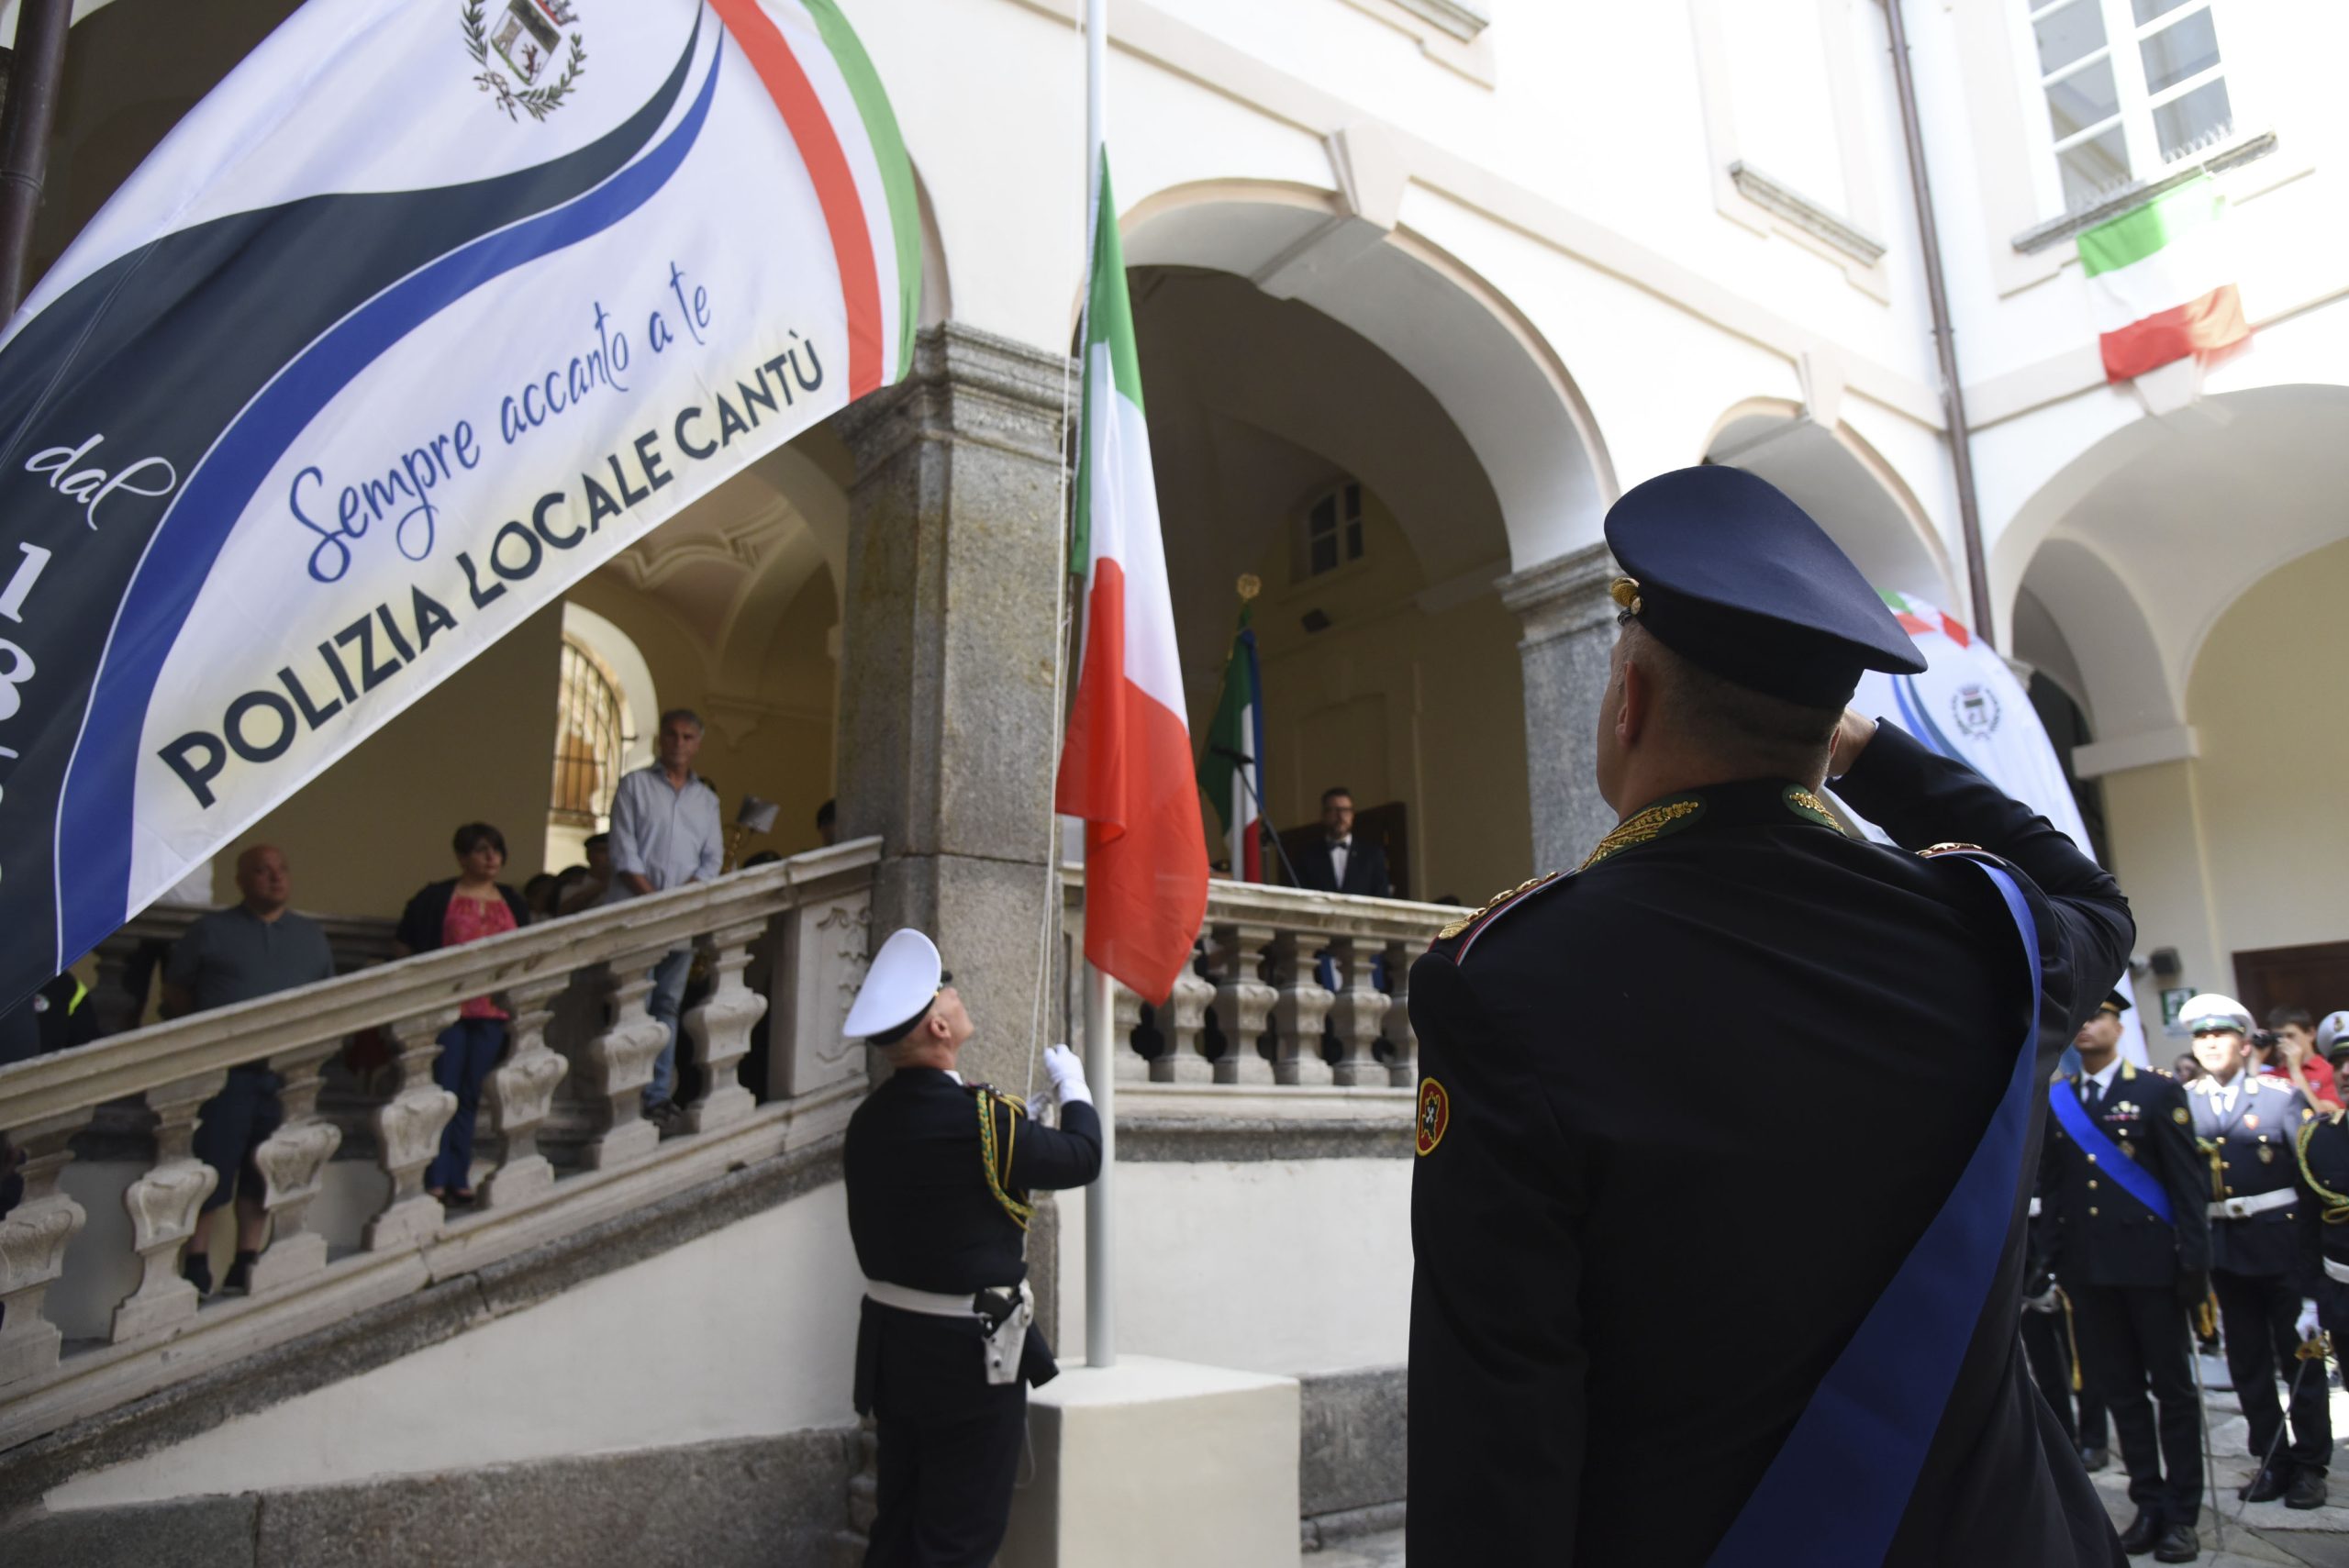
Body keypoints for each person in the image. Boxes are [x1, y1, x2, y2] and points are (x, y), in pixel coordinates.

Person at [1408, 466, 2133, 1566]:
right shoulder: (1993, 942)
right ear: (1825, 732)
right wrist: (1875, 755)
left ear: (1628, 700)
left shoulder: (1513, 977)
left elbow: (1499, 1422)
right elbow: (2095, 901)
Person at [841, 929, 1102, 1566]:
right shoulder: (984, 1121)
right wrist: (1075, 1091)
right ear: (938, 1025)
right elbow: (1084, 1156)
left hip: (895, 1348)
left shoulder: (869, 1118)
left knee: (898, 1521)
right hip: (967, 1358)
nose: (958, 995)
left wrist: (1016, 1128)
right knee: (958, 1536)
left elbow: (949, 1193)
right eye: (948, 990)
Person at [2039, 991, 2211, 1561]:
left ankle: (2183, 1513)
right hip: (2090, 1273)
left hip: (2153, 1270)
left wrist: (2195, 1263)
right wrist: (2051, 1264)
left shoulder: (2156, 1091)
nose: (2085, 1026)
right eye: (2079, 1018)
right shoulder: (2059, 1099)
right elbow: (2058, 1192)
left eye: (2098, 1016)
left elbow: (2189, 1185)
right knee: (2123, 1395)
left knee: (2174, 1392)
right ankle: (2150, 1502)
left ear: (2118, 1025)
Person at [163, 845, 338, 1296]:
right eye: (262, 871)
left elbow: (325, 999)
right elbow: (177, 993)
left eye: (282, 869)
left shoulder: (310, 936)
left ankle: (246, 1258)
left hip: (284, 1079)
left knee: (266, 1170)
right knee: (213, 1165)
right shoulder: (211, 931)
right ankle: (197, 1260)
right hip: (224, 1076)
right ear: (242, 881)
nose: (275, 879)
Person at [2182, 992, 2330, 1508]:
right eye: (2201, 1036)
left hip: (2281, 1244)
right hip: (2225, 1251)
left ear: (2245, 1044)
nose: (2210, 1044)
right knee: (2246, 1364)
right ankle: (2271, 1459)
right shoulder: (2185, 1104)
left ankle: (2311, 1463)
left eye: (2220, 1034)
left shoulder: (2277, 1098)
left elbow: (2308, 1183)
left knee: (2301, 1357)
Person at [394, 823, 532, 1206]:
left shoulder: (511, 900)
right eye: (482, 850)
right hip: (448, 1010)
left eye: (497, 851)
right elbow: (407, 944)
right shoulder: (437, 897)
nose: (492, 858)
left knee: (471, 1093)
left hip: (491, 1011)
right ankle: (435, 1173)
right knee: (444, 1090)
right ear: (462, 857)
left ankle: (459, 1173)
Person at [606, 708, 723, 1127]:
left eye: (688, 737)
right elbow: (623, 851)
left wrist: (678, 904)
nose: (679, 743)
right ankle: (622, 1089)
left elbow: (712, 860)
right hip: (636, 916)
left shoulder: (706, 800)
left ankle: (656, 1094)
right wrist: (653, 901)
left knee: (668, 1006)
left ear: (697, 744)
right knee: (630, 1003)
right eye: (672, 735)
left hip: (679, 922)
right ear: (660, 740)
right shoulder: (635, 786)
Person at [1292, 786, 1391, 898]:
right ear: (1324, 815)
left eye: (1345, 810)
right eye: (1334, 810)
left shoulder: (1372, 855)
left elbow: (1382, 897)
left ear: (1352, 815)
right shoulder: (1307, 856)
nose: (1340, 816)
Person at [2257, 1006, 2341, 1111]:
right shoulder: (2270, 1076)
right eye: (2278, 1038)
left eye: (2290, 1036)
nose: (2284, 1043)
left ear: (2310, 1034)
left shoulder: (2330, 1071)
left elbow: (2323, 1115)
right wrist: (2256, 1059)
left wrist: (2295, 1071)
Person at [558, 832, 613, 914]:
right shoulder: (574, 885)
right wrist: (602, 885)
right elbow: (564, 912)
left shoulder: (625, 882)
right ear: (589, 855)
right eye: (602, 851)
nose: (609, 856)